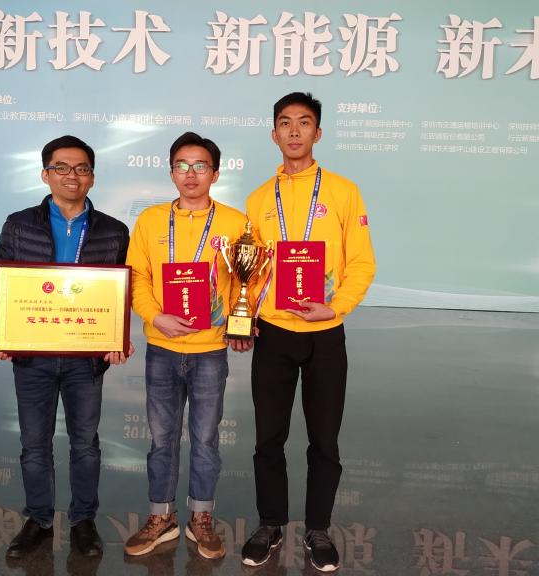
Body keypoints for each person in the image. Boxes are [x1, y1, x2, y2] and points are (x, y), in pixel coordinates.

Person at [240, 93, 376, 572]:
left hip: (325, 333)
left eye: (304, 122)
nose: (294, 131)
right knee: (267, 439)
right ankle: (270, 524)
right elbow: (250, 270)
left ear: (318, 133)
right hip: (274, 333)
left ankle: (318, 528)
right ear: (273, 133)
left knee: (324, 440)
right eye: (285, 122)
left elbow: (362, 262)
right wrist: (245, 316)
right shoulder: (259, 199)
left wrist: (336, 307)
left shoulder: (343, 191)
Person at [0, 135, 132, 559]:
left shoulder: (113, 230)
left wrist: (117, 338)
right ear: (45, 174)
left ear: (92, 177)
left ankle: (83, 521)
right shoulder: (19, 224)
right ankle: (39, 519)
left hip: (87, 359)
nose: (72, 176)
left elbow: (120, 292)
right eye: (61, 168)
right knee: (34, 445)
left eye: (81, 168)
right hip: (33, 355)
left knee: (85, 444)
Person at [123, 132, 249, 560]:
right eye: (182, 165)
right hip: (162, 346)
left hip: (210, 349)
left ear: (215, 173)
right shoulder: (151, 220)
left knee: (206, 439)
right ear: (171, 171)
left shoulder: (235, 223)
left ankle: (201, 517)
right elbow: (137, 275)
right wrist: (154, 316)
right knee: (162, 439)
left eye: (200, 166)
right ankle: (161, 516)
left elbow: (246, 282)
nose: (190, 174)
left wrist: (242, 323)